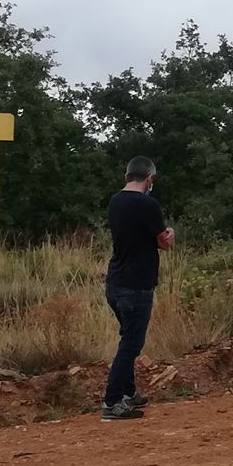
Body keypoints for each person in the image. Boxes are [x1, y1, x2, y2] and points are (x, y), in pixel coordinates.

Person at [103, 156, 174, 422]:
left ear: (127, 175)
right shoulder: (148, 204)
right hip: (137, 284)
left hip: (115, 281)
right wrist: (170, 234)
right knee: (131, 344)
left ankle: (128, 393)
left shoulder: (115, 201)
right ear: (149, 179)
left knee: (127, 337)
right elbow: (163, 242)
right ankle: (112, 402)